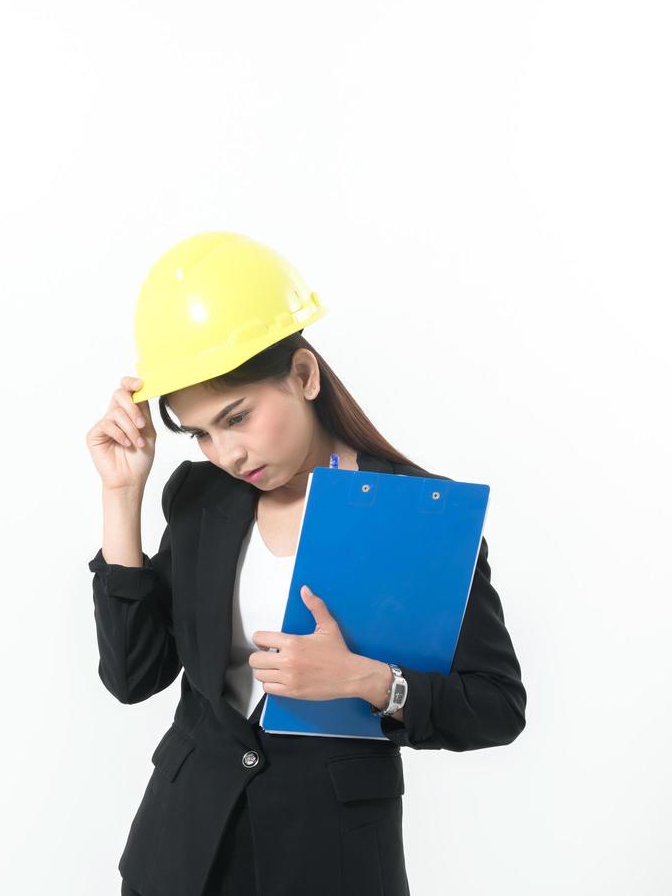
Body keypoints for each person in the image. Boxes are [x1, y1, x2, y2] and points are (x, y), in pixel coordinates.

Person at [84, 232, 526, 895]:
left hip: (328, 863)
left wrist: (372, 681)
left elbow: (496, 705)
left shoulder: (418, 515)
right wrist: (122, 497)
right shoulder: (201, 500)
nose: (225, 452)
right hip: (183, 856)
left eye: (236, 417)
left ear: (304, 375)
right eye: (202, 432)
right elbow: (133, 676)